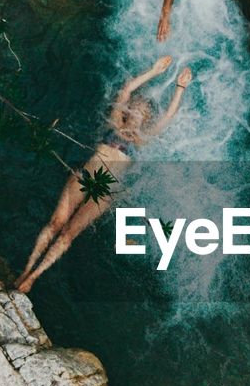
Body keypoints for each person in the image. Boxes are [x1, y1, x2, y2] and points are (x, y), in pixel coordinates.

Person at [14, 55, 193, 292]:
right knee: (56, 223)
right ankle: (25, 269)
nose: (138, 111)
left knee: (68, 234)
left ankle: (33, 277)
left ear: (146, 119)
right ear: (128, 112)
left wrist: (180, 88)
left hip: (105, 191)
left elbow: (168, 117)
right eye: (135, 108)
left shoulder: (142, 140)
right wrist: (153, 71)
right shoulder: (114, 124)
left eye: (143, 111)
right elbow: (125, 92)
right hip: (86, 177)